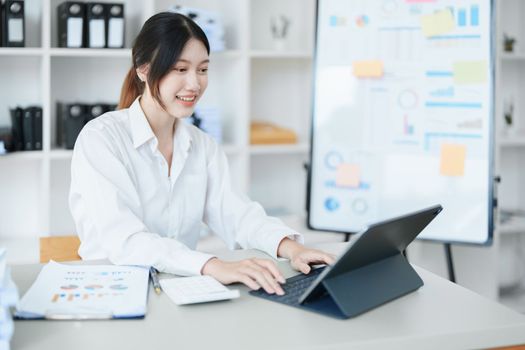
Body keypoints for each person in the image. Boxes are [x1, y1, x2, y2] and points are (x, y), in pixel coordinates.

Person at [69, 12, 334, 296]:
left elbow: (237, 215)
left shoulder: (202, 146)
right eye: (180, 69)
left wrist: (292, 248)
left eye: (203, 70)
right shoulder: (101, 138)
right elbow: (125, 240)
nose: (194, 84)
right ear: (143, 69)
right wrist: (212, 265)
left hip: (180, 290)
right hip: (111, 292)